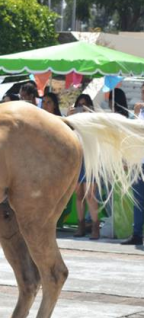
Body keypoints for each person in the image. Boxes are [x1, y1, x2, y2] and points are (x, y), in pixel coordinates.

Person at [67, 94, 100, 240]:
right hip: (77, 157)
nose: (81, 108)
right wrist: (69, 117)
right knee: (78, 195)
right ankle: (81, 225)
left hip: (90, 158)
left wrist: (89, 115)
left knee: (90, 195)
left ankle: (95, 226)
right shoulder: (73, 120)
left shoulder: (94, 120)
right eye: (79, 105)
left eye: (85, 105)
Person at [121, 83, 144, 245]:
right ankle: (136, 233)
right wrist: (136, 115)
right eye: (142, 91)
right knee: (138, 200)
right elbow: (131, 134)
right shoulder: (139, 111)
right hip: (138, 161)